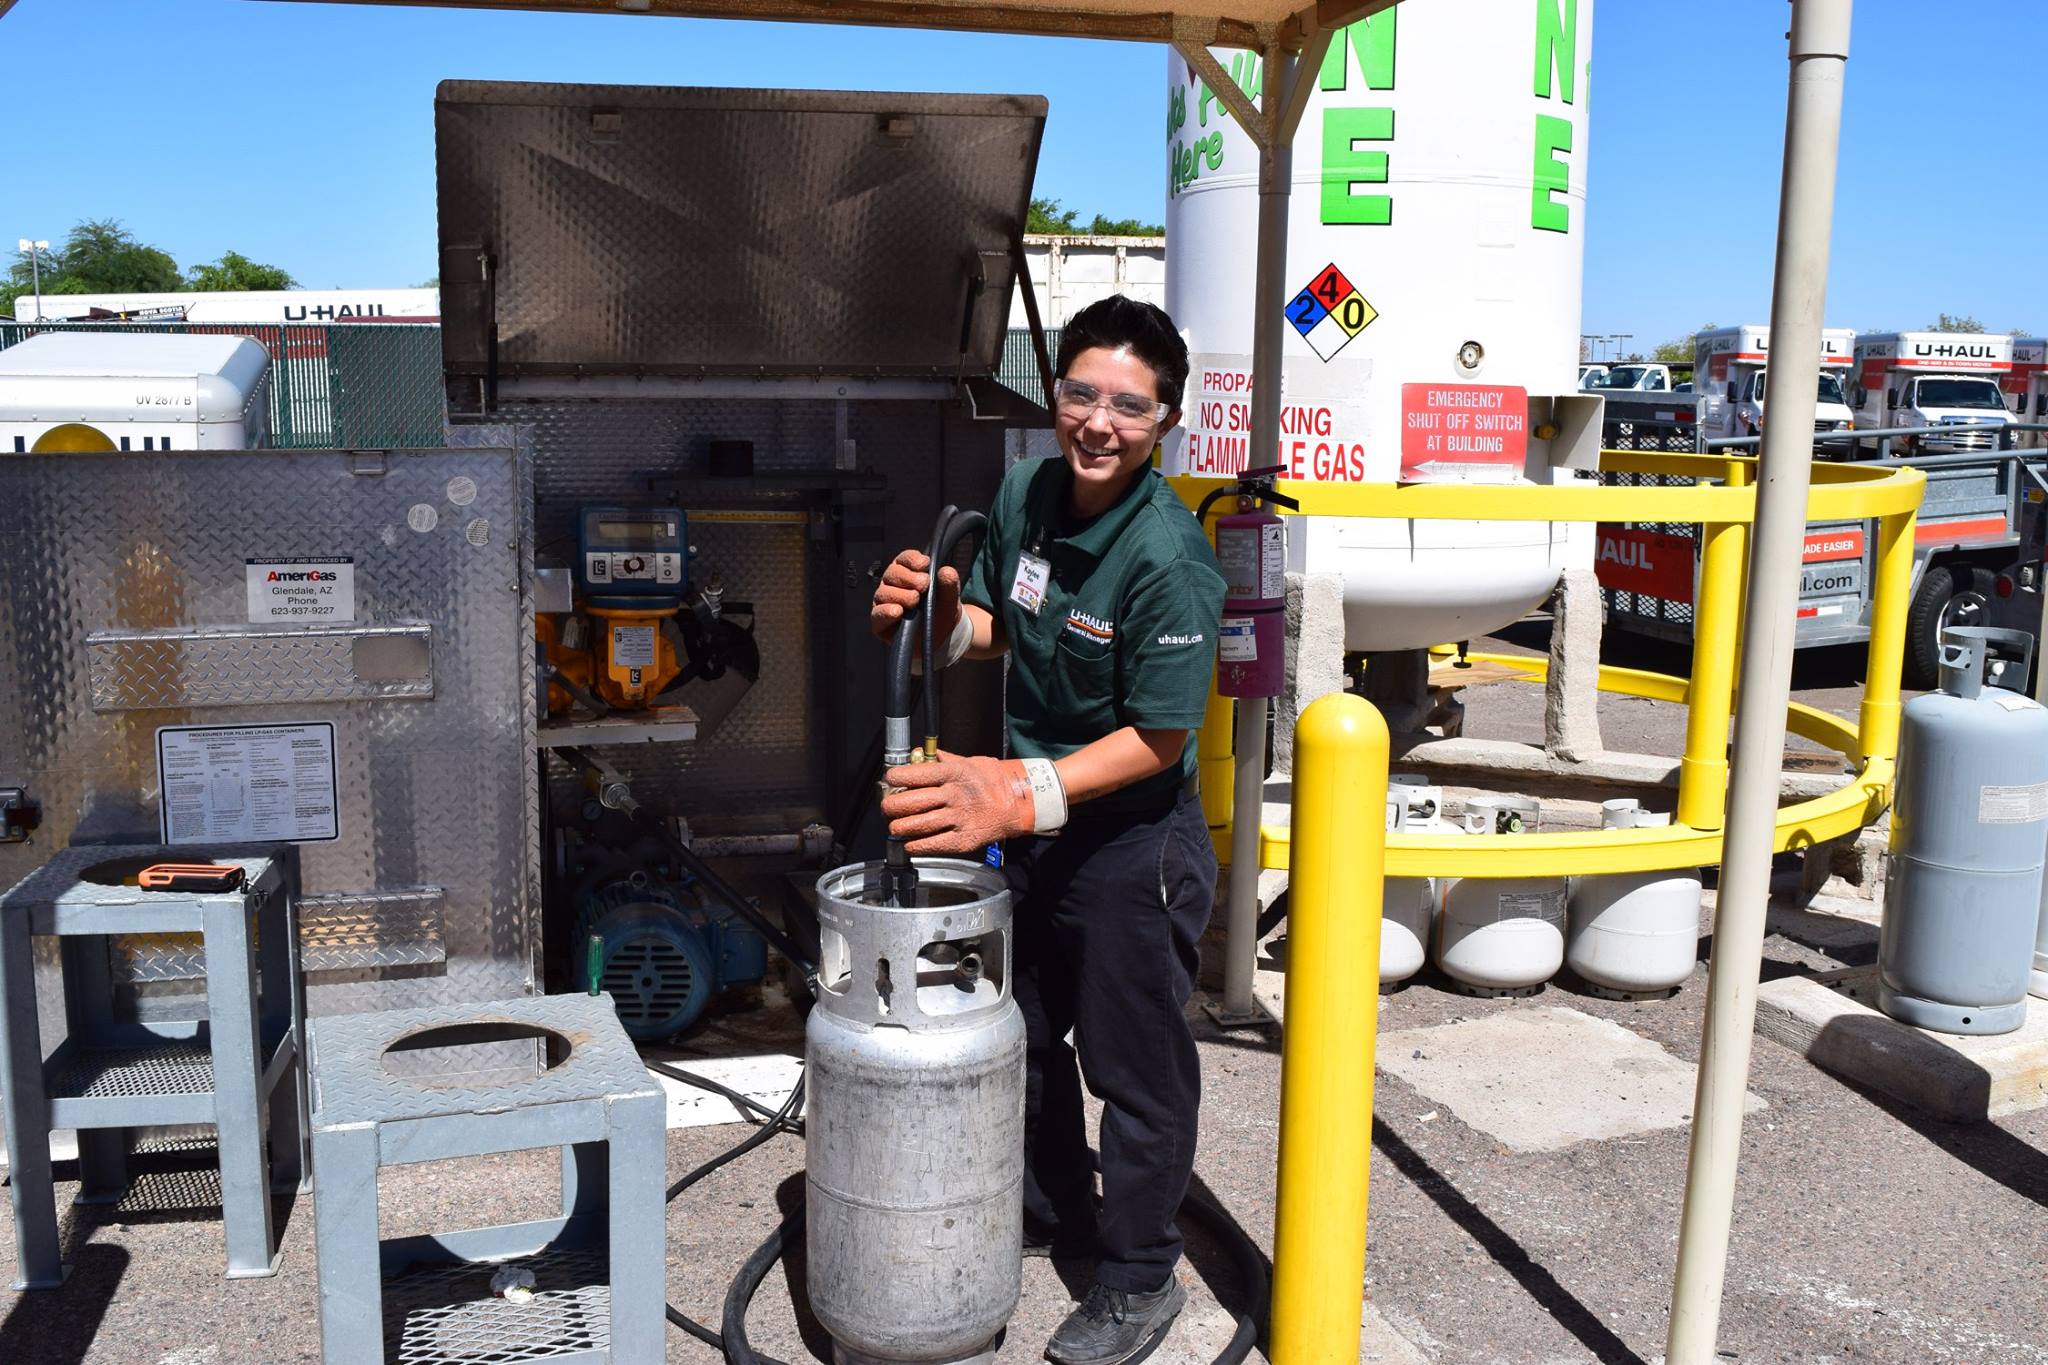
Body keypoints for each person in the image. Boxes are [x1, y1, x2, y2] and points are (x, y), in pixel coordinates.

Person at [871, 295, 1225, 1365]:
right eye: (1081, 393)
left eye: (1129, 405)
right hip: (1035, 831)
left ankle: (1137, 1275)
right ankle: (1054, 1210)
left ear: (1164, 420)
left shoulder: (1169, 558)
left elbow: (1159, 736)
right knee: (1019, 1036)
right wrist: (941, 618)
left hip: (1133, 847)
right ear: (1055, 393)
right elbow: (995, 624)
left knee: (1134, 1073)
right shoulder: (1027, 490)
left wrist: (1013, 795)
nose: (1098, 423)